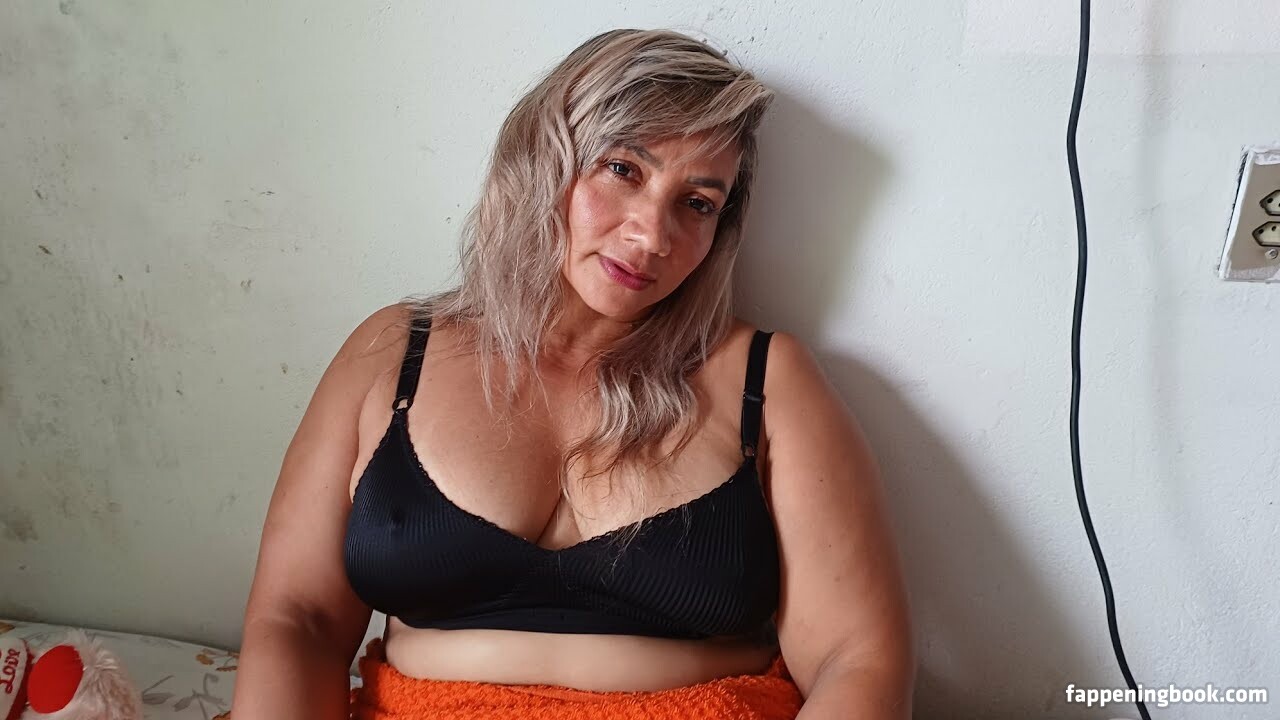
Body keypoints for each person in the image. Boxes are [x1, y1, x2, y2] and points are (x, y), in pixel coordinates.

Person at [229, 28, 914, 719]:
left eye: (697, 203)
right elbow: (299, 620)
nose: (652, 235)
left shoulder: (767, 379)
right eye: (623, 169)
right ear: (545, 158)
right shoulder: (395, 351)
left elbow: (858, 659)